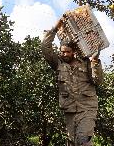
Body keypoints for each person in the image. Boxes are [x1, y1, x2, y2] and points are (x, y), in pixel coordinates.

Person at [41, 18, 104, 146]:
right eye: (62, 51)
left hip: (87, 108)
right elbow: (44, 47)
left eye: (67, 52)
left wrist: (95, 61)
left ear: (73, 52)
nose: (64, 54)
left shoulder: (87, 62)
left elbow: (97, 81)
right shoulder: (58, 63)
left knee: (83, 141)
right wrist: (54, 28)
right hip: (69, 109)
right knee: (72, 142)